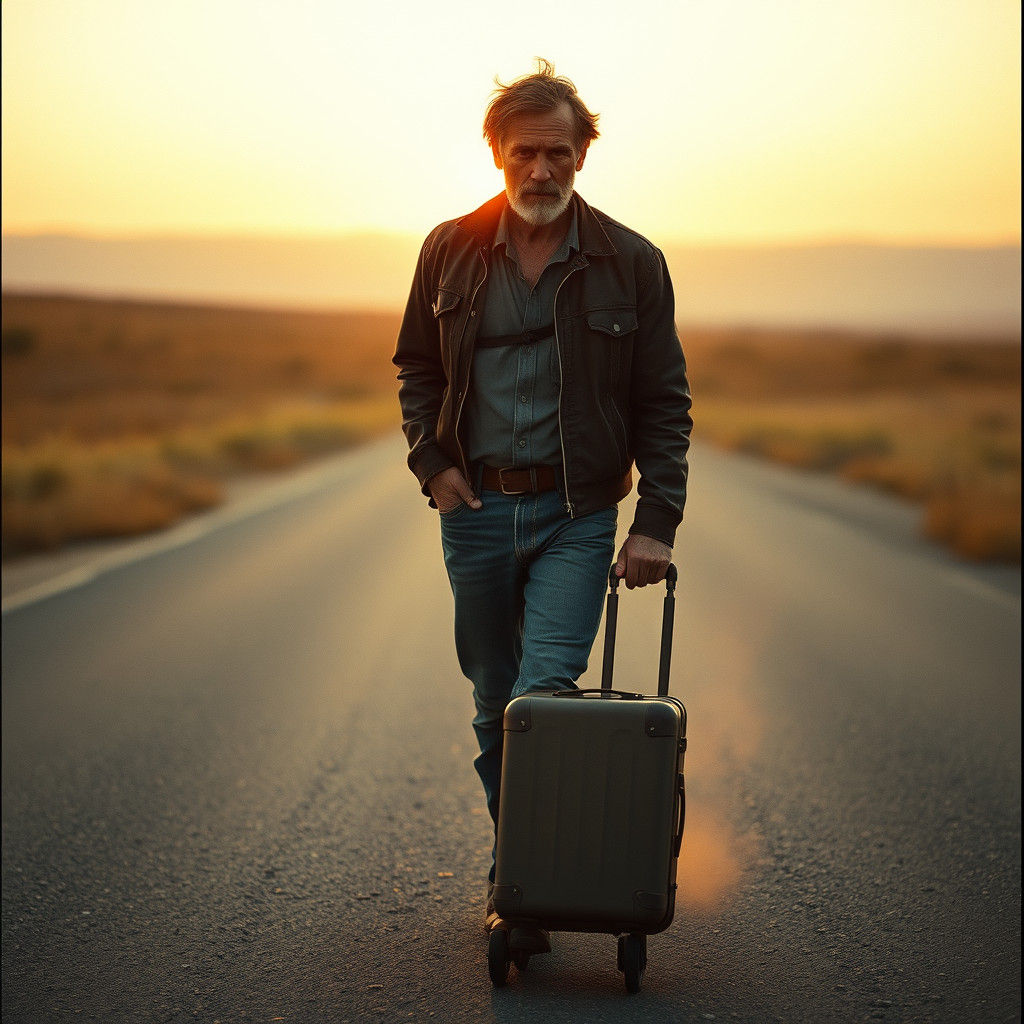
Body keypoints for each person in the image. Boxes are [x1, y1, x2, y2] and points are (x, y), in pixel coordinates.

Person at [393, 60, 692, 953]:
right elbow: (416, 367)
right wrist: (432, 462)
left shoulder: (631, 262)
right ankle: (522, 863)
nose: (540, 170)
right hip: (475, 510)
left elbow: (663, 401)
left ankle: (524, 894)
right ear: (497, 154)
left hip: (576, 514)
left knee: (541, 699)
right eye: (524, 152)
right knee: (493, 705)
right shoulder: (447, 248)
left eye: (558, 152)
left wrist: (656, 522)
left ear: (582, 156)